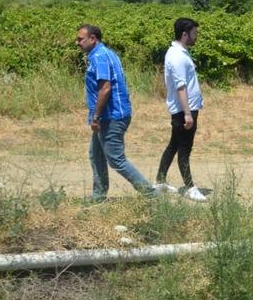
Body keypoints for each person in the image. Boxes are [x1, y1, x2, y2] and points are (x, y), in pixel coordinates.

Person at [75, 24, 155, 200]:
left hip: (110, 116)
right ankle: (98, 196)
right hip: (109, 115)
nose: (77, 42)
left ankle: (151, 194)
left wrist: (95, 117)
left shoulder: (100, 57)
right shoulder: (106, 53)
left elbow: (105, 89)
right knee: (95, 154)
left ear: (93, 39)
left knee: (116, 160)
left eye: (80, 39)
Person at [155, 17, 206, 201]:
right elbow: (180, 86)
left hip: (185, 109)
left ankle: (160, 182)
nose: (196, 36)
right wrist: (187, 114)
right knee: (185, 148)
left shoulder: (180, 52)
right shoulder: (176, 56)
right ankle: (190, 187)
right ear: (185, 34)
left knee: (174, 145)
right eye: (194, 33)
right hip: (184, 110)